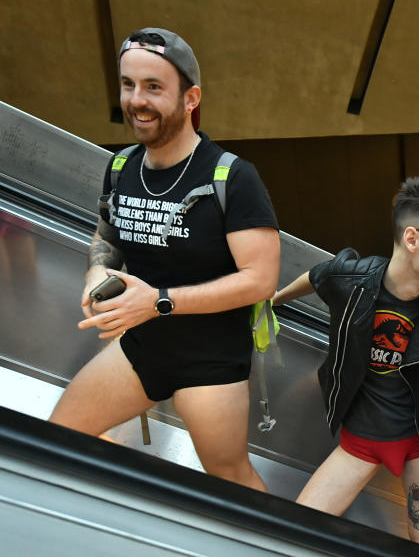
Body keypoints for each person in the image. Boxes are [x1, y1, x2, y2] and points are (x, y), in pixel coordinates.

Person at [49, 28, 280, 491]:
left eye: (154, 87)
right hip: (141, 350)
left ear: (190, 98)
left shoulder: (231, 176)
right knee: (54, 440)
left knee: (230, 477)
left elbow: (260, 280)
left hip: (210, 365)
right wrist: (98, 272)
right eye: (128, 84)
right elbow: (108, 236)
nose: (137, 100)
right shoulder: (121, 166)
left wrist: (158, 302)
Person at [272, 176, 419, 551]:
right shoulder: (354, 278)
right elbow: (318, 276)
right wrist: (274, 302)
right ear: (412, 239)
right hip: (360, 441)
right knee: (300, 527)